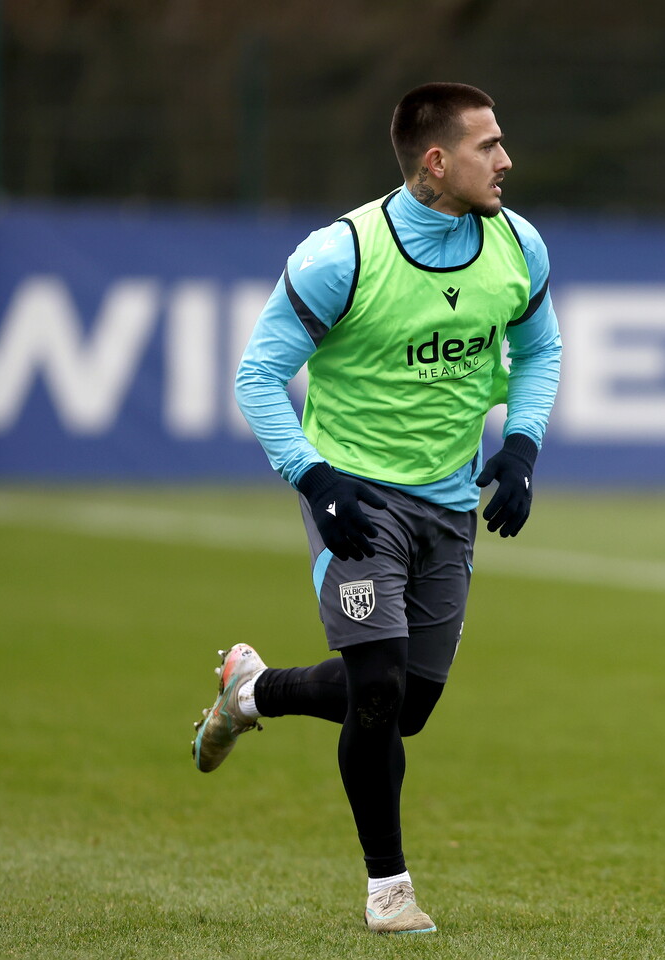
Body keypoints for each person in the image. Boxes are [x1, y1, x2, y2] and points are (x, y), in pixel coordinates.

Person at [190, 82, 561, 935]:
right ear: (437, 161)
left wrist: (525, 445)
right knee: (380, 691)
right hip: (357, 500)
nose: (506, 160)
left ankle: (252, 692)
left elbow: (541, 347)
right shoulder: (341, 255)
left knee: (410, 707)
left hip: (448, 500)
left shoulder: (519, 246)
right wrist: (314, 480)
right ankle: (388, 892)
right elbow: (256, 376)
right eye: (488, 145)